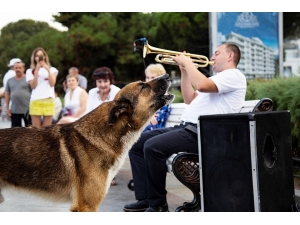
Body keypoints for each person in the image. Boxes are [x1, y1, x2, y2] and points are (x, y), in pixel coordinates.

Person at [123, 43, 247, 212]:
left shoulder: (234, 75)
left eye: (217, 53)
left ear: (230, 56)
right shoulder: (217, 79)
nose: (212, 58)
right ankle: (145, 198)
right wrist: (184, 71)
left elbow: (202, 85)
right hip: (188, 128)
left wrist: (188, 63)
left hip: (205, 134)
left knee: (153, 147)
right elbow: (190, 98)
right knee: (137, 142)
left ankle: (158, 205)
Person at [86, 66, 121, 185]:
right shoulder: (92, 92)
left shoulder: (117, 92)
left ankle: (110, 175)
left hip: (114, 126)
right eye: (99, 81)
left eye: (105, 81)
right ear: (95, 82)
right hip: (97, 126)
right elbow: (89, 113)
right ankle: (95, 173)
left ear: (110, 81)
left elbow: (118, 114)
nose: (102, 85)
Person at [26, 47, 59, 128]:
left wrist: (47, 70)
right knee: (36, 130)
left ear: (45, 57)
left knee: (47, 130)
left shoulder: (52, 70)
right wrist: (37, 70)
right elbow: (33, 85)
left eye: (41, 55)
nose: (40, 57)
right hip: (36, 100)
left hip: (48, 100)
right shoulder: (30, 71)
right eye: (37, 56)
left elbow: (52, 83)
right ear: (34, 58)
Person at [142, 64, 172, 132]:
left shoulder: (164, 98)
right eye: (147, 77)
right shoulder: (146, 96)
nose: (149, 81)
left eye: (153, 78)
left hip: (154, 133)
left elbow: (155, 123)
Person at [5, 60, 31, 127]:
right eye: (16, 68)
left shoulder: (28, 79)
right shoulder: (10, 81)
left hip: (27, 109)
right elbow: (7, 94)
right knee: (15, 133)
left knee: (30, 131)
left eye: (20, 68)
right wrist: (7, 108)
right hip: (15, 110)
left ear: (23, 68)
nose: (18, 69)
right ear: (14, 69)